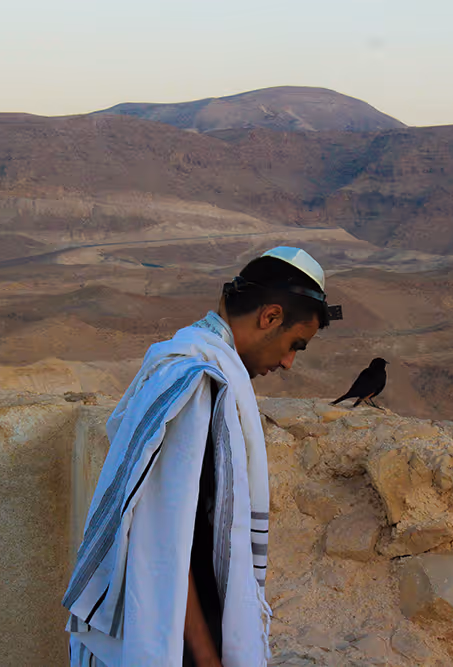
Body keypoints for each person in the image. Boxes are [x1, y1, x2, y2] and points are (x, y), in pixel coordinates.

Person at [63, 247, 341, 667]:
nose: (288, 362)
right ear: (269, 317)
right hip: (177, 636)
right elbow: (165, 543)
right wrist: (208, 656)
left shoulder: (181, 361)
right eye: (294, 344)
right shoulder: (198, 386)